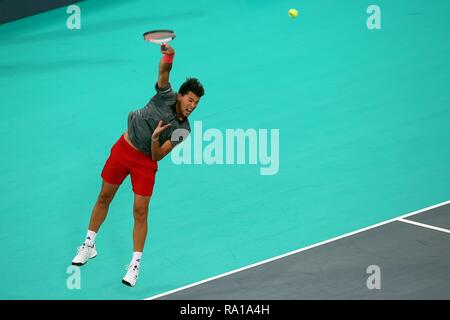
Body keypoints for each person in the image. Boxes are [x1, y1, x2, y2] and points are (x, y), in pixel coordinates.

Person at [71, 43, 205, 287]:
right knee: (104, 196)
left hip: (145, 162)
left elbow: (158, 156)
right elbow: (165, 72)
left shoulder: (183, 130)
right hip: (124, 148)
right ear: (181, 95)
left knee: (140, 211)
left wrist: (155, 140)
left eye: (196, 103)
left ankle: (134, 265)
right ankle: (89, 244)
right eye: (190, 100)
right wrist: (169, 54)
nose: (192, 106)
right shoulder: (166, 94)